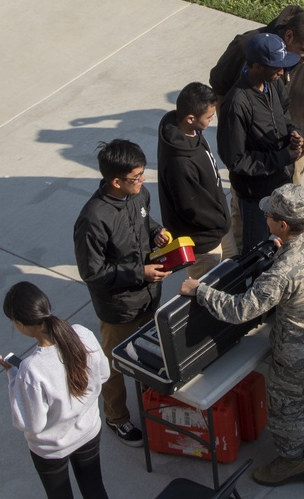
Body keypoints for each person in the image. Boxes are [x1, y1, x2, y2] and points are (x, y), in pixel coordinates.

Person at [180, 184, 304, 486]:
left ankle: (292, 461)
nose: (265, 219)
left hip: (298, 353)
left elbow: (241, 310)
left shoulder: (280, 275)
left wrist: (200, 291)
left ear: (282, 225)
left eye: (269, 216)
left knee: (288, 411)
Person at [73, 139, 169, 446]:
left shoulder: (139, 195)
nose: (142, 181)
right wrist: (139, 272)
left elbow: (144, 222)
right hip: (119, 310)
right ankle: (117, 418)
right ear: (116, 181)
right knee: (115, 367)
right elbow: (92, 273)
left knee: (150, 357)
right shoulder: (93, 219)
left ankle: (153, 405)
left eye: (142, 174)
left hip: (148, 298)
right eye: (136, 177)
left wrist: (156, 232)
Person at [209, 6, 304, 185]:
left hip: (294, 155)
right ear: (288, 36)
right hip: (254, 161)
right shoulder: (247, 47)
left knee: (288, 210)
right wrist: (229, 131)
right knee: (244, 212)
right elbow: (220, 87)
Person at [0, 281, 110, 499]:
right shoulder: (82, 334)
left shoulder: (31, 369)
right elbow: (104, 374)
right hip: (88, 430)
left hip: (51, 449)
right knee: (94, 489)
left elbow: (32, 423)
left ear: (21, 324)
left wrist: (14, 377)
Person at [217, 33, 303, 252]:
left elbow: (284, 115)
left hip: (281, 184)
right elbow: (236, 160)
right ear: (255, 65)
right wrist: (283, 157)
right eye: (276, 66)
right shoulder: (237, 104)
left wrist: (293, 134)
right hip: (256, 198)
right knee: (260, 252)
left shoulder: (273, 83)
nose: (282, 71)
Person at [157, 82, 236, 279]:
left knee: (233, 271)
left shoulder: (192, 132)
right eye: (209, 117)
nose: (213, 119)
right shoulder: (179, 162)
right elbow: (191, 208)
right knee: (208, 290)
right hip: (203, 242)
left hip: (220, 228)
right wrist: (220, 221)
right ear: (190, 118)